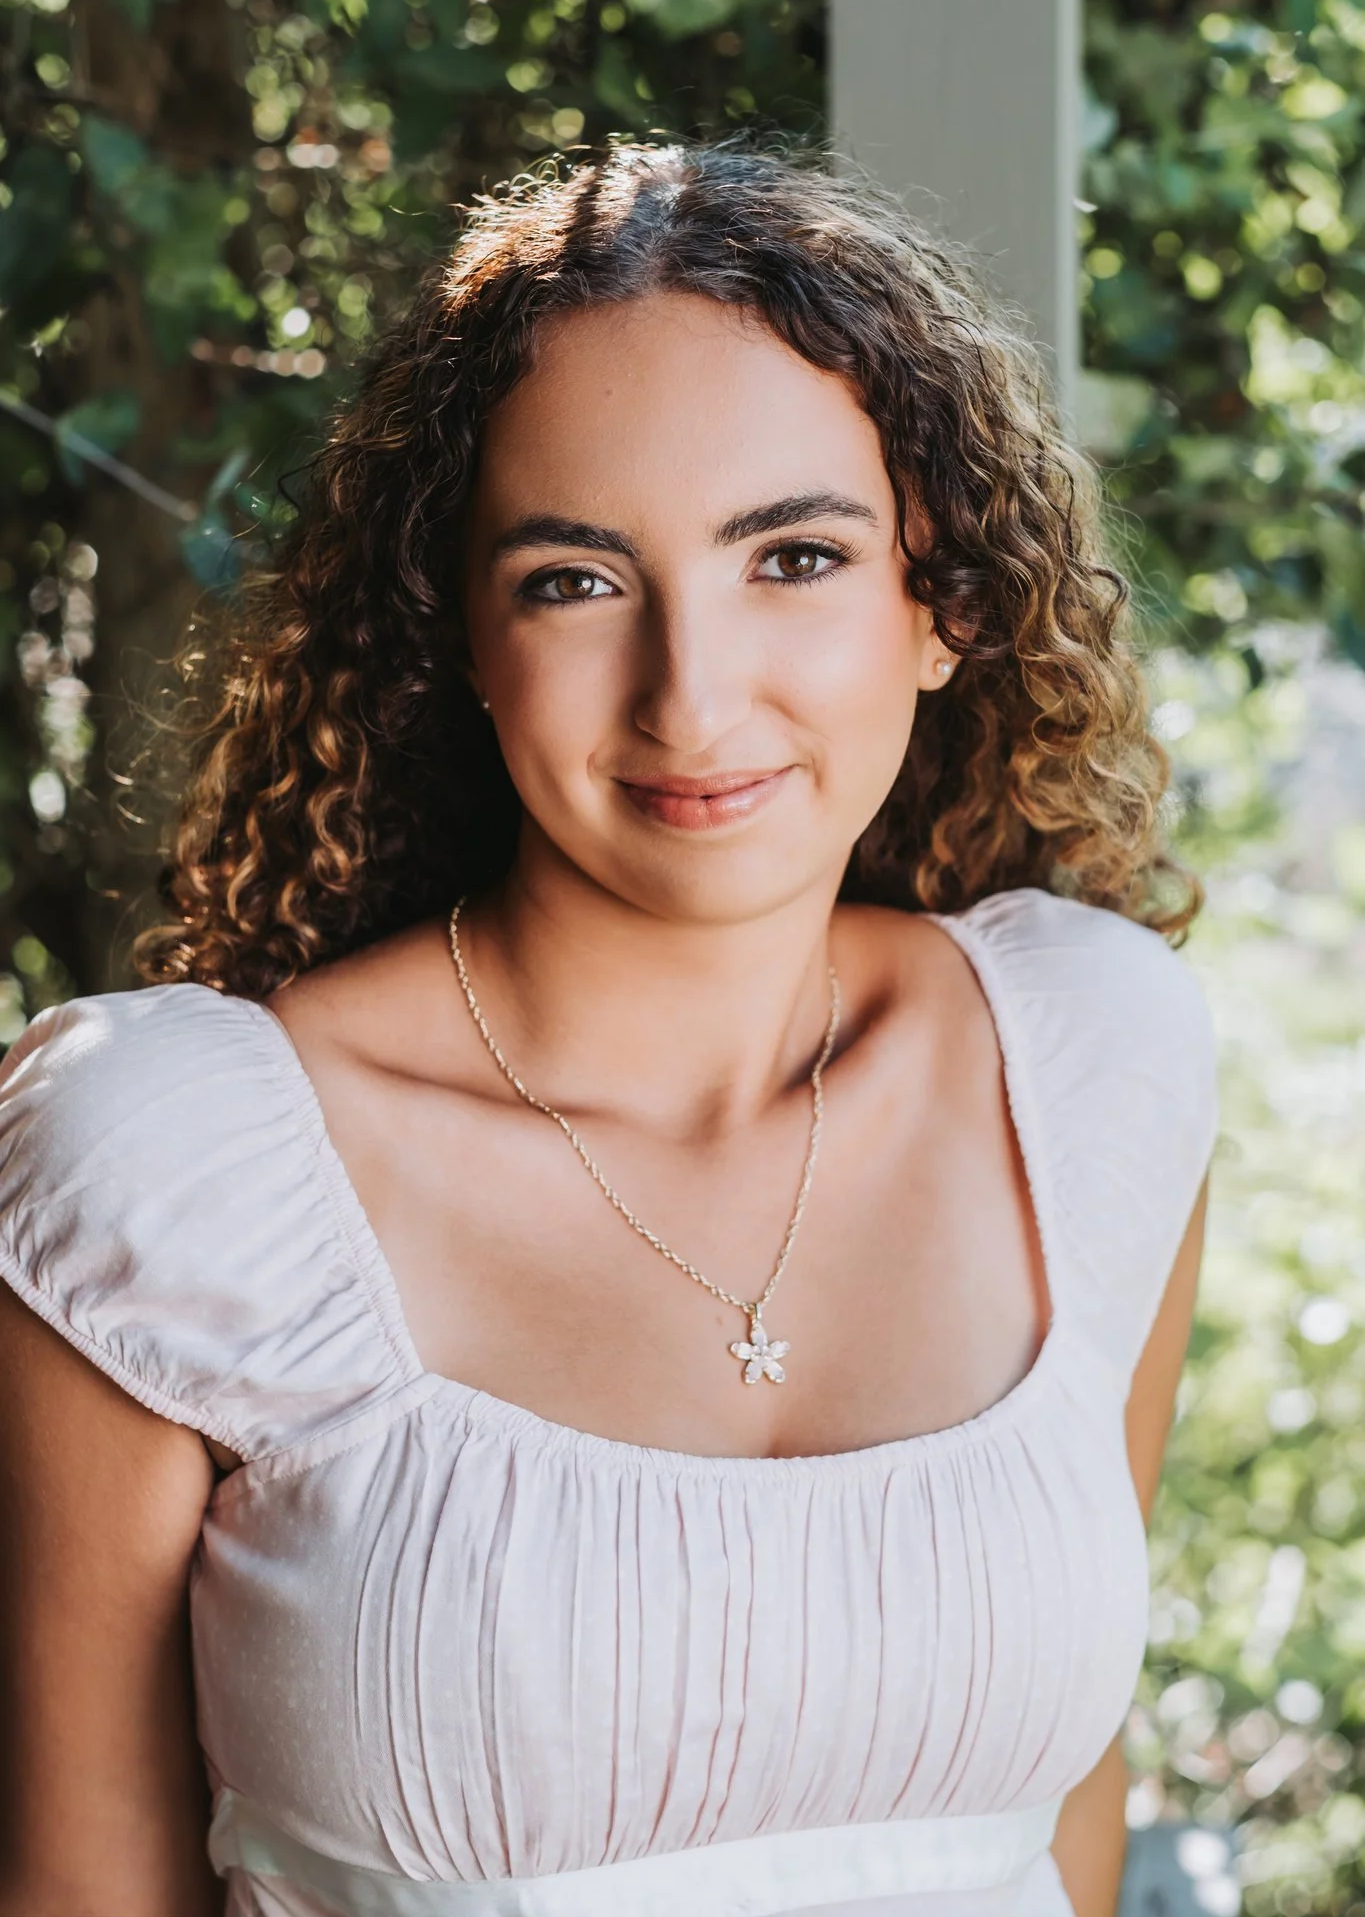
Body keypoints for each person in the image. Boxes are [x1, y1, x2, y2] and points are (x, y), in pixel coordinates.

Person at [0, 141, 1217, 1917]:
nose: (694, 695)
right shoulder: (164, 1163)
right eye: (577, 580)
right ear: (458, 637)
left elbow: (1069, 1809)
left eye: (791, 557)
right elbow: (80, 1891)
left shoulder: (1095, 1063)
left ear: (942, 603)